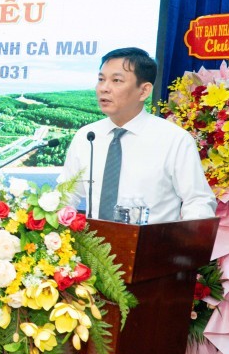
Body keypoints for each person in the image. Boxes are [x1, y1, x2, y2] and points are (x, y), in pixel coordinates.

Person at [59, 47, 216, 222]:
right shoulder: (86, 136)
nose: (104, 88)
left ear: (144, 91)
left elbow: (197, 200)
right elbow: (66, 194)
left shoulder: (174, 139)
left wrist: (186, 243)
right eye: (101, 79)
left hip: (153, 246)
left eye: (116, 80)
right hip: (92, 246)